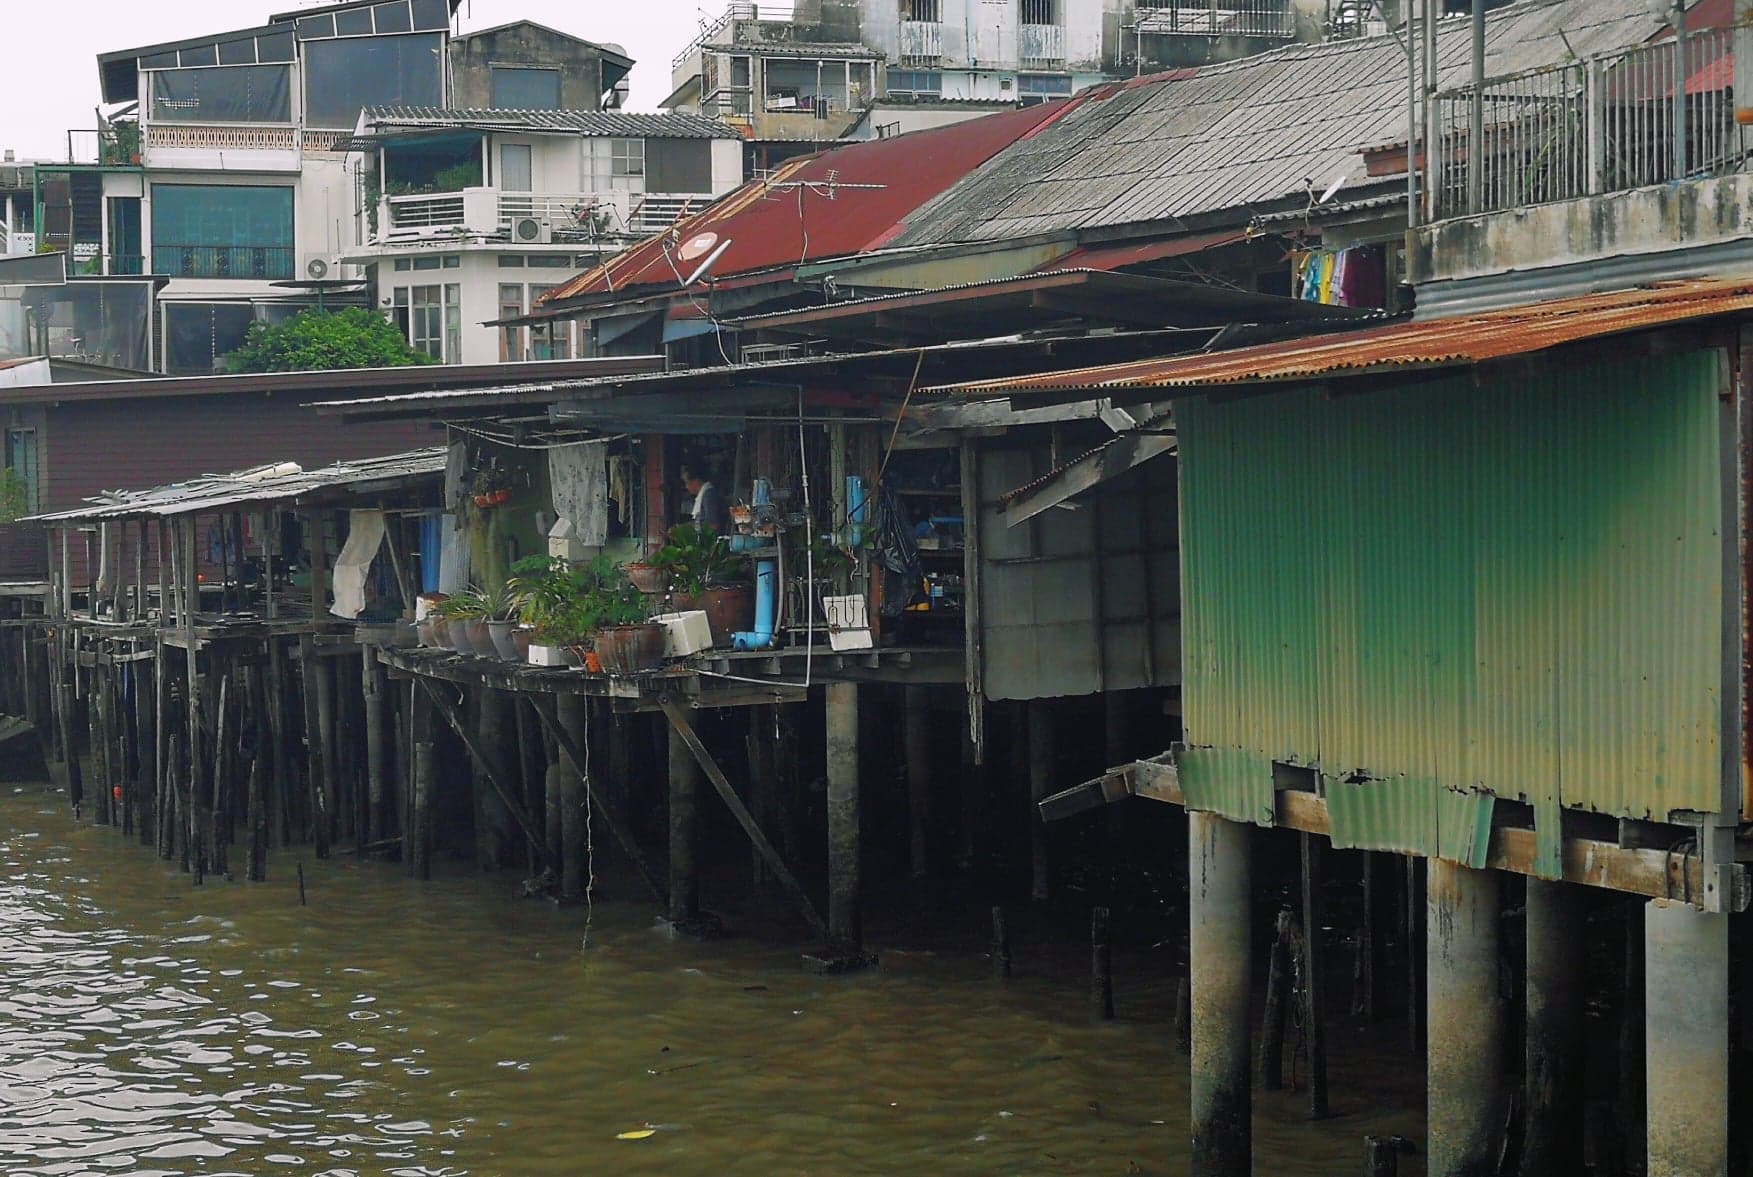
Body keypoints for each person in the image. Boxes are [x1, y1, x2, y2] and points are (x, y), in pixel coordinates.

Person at [681, 464, 729, 532]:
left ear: (696, 481)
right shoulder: (705, 494)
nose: (686, 486)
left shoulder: (708, 495)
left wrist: (684, 528)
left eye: (687, 482)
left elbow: (713, 525)